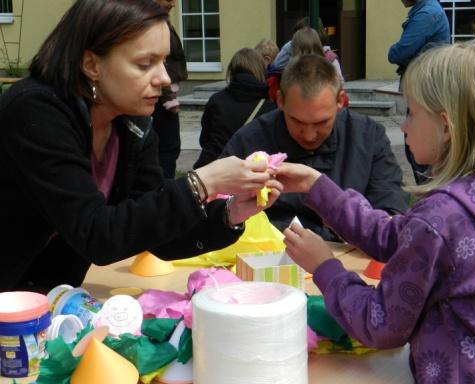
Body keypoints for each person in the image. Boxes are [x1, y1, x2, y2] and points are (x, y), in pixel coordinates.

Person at [278, 40, 475, 384]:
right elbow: (400, 238)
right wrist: (317, 187)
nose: (403, 126)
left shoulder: (441, 219)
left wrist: (326, 268)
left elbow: (382, 322)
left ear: (446, 126)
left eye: (411, 112)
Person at [0, 0, 282, 292]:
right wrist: (202, 182)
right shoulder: (35, 111)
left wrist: (231, 213)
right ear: (91, 65)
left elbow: (156, 232)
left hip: (41, 304)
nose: (164, 78)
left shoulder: (130, 124)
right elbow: (96, 234)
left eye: (163, 62)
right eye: (145, 64)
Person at [222, 54, 408, 242]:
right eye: (297, 121)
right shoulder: (248, 141)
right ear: (279, 100)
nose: (309, 135)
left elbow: (391, 215)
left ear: (341, 101)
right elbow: (218, 212)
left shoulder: (368, 137)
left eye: (322, 122)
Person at [388, 0, 450, 185]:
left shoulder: (427, 14)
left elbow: (398, 53)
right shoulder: (425, 10)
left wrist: (393, 50)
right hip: (424, 90)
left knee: (420, 150)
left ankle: (430, 195)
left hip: (426, 92)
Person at [193, 48, 276, 169]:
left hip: (212, 166)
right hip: (250, 170)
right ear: (260, 71)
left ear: (232, 70)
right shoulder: (269, 107)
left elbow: (205, 139)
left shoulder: (216, 100)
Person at [151, 0, 187, 178]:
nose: (173, 3)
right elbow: (159, 65)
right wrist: (168, 97)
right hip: (161, 98)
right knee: (167, 146)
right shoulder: (150, 22)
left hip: (164, 95)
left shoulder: (160, 20)